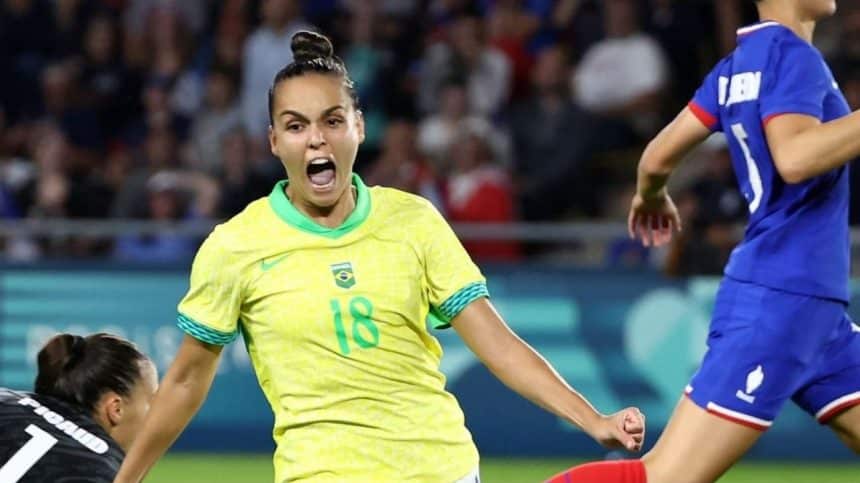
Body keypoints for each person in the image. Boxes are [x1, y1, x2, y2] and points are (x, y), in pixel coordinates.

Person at [114, 31, 646, 483]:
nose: (317, 139)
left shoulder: (412, 220)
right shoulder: (236, 245)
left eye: (332, 120)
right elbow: (185, 380)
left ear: (359, 127)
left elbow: (497, 344)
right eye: (296, 126)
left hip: (441, 469)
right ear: (274, 141)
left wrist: (592, 418)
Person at [549, 1, 860, 482]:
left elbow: (654, 158)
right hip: (780, 302)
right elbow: (794, 157)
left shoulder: (738, 64)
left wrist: (651, 196)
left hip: (816, 315)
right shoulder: (792, 55)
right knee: (665, 476)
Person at [0, 333, 157, 483]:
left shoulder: (5, 398)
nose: (156, 414)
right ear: (116, 409)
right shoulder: (102, 472)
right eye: (151, 401)